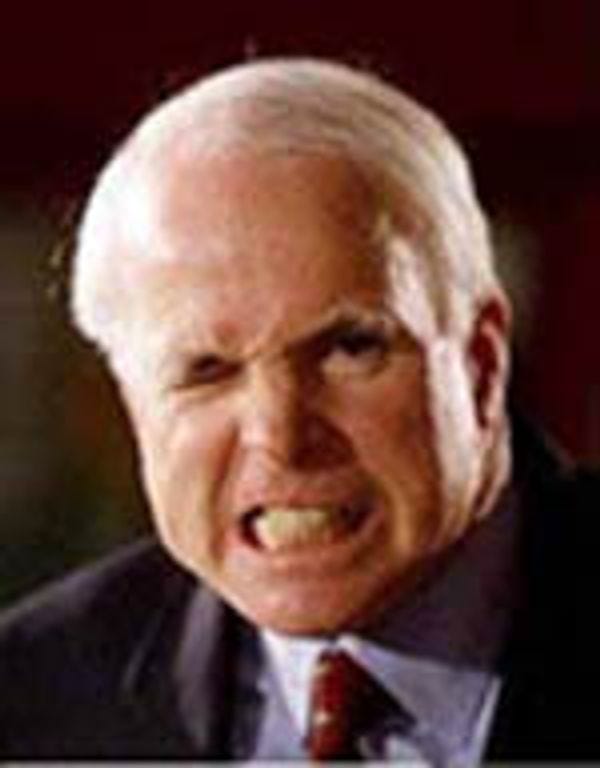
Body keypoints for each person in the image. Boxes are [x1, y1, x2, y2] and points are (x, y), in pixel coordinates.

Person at [0, 58, 598, 762]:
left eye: (350, 348)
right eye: (206, 371)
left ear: (481, 364)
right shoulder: (31, 696)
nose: (280, 436)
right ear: (134, 406)